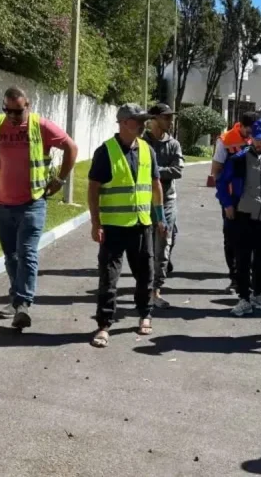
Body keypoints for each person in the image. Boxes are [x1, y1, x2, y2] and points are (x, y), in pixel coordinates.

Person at [0, 87, 78, 329]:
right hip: (3, 204)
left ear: (28, 105)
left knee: (27, 253)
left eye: (17, 110)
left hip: (32, 203)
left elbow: (71, 148)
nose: (12, 115)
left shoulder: (41, 126)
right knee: (11, 256)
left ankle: (22, 304)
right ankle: (16, 299)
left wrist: (60, 180)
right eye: (8, 110)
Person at [87, 103, 167, 347]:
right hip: (113, 226)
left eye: (144, 120)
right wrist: (95, 222)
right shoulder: (106, 151)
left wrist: (160, 216)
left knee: (145, 274)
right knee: (109, 277)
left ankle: (145, 314)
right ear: (123, 123)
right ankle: (104, 324)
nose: (143, 125)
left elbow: (155, 185)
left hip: (142, 224)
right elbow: (93, 189)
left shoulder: (147, 150)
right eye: (138, 121)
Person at [216, 119, 261, 316]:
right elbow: (221, 183)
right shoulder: (238, 159)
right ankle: (244, 298)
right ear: (251, 138)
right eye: (257, 140)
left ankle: (259, 293)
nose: (260, 144)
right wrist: (228, 204)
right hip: (243, 217)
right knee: (243, 259)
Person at [209, 111, 259, 293]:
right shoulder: (226, 140)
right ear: (242, 126)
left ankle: (249, 276)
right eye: (249, 130)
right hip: (232, 198)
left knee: (252, 238)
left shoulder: (258, 138)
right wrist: (226, 200)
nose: (252, 134)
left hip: (253, 198)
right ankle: (235, 276)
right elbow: (217, 170)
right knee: (231, 238)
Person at [143, 103, 184, 309]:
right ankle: (144, 288)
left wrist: (154, 172)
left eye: (171, 117)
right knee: (144, 247)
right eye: (166, 117)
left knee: (163, 245)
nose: (170, 120)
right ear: (154, 119)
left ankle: (155, 290)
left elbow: (178, 170)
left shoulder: (174, 144)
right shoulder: (142, 143)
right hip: (143, 201)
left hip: (167, 201)